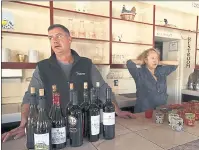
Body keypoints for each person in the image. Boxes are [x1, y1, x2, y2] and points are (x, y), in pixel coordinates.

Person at [2, 24, 135, 142]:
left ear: (69, 39)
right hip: (55, 129)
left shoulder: (86, 64)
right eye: (50, 38)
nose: (54, 40)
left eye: (59, 36)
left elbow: (102, 89)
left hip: (83, 128)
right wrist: (23, 124)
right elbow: (30, 96)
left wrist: (117, 110)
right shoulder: (42, 67)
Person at [126, 48, 178, 113]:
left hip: (161, 111)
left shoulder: (161, 71)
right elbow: (129, 62)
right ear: (146, 60)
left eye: (156, 58)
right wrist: (142, 61)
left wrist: (160, 62)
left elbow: (176, 64)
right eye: (152, 58)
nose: (155, 60)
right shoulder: (139, 73)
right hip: (144, 111)